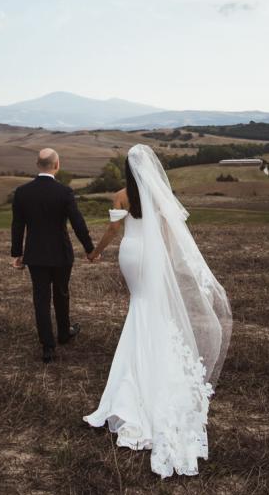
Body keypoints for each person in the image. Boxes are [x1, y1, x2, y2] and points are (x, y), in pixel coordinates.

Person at [83, 144, 232, 477]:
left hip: (131, 255)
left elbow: (113, 230)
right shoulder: (160, 195)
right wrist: (163, 262)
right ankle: (152, 369)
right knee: (149, 308)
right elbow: (167, 233)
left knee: (138, 306)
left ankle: (132, 378)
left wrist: (95, 252)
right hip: (150, 257)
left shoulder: (121, 195)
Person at [10, 148, 95, 362]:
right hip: (60, 253)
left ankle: (48, 348)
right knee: (61, 293)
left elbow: (17, 225)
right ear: (57, 165)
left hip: (35, 254)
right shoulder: (64, 192)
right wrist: (89, 248)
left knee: (41, 299)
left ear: (38, 165)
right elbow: (78, 222)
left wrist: (17, 253)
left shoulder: (22, 192)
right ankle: (64, 334)